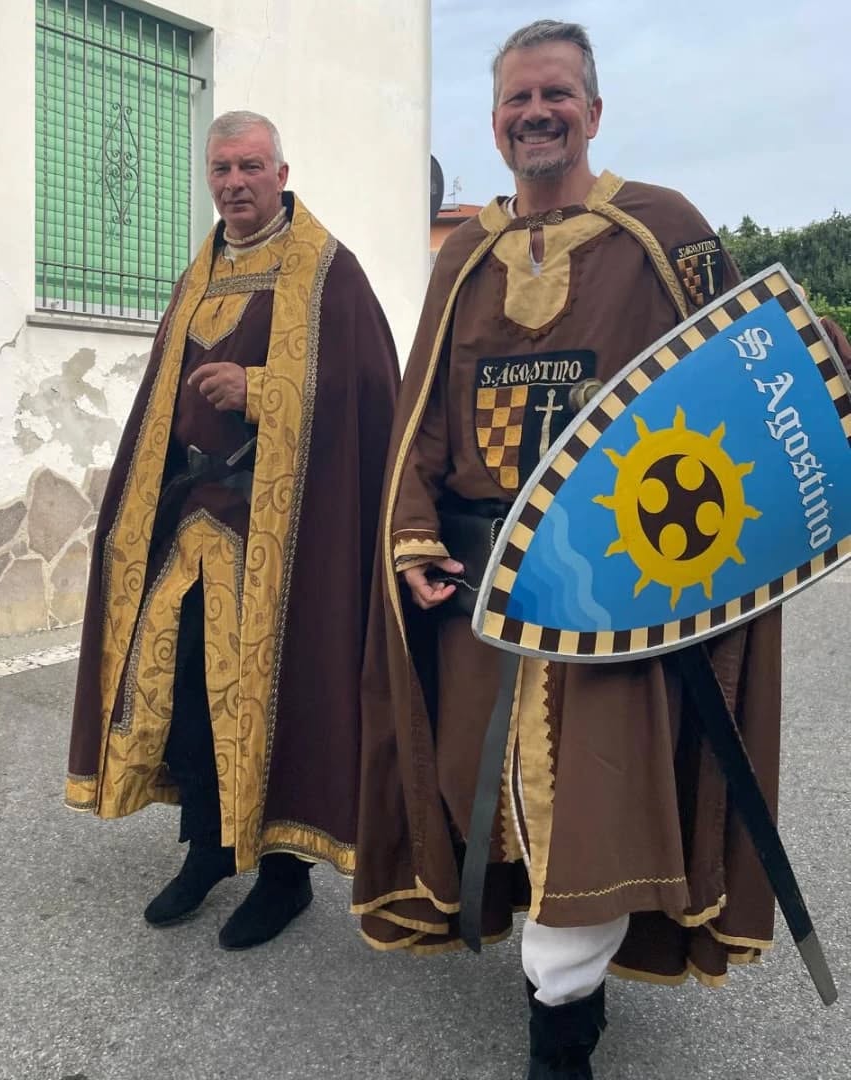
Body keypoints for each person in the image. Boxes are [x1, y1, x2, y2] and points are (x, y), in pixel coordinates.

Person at [352, 20, 797, 1078]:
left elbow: (754, 380)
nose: (536, 113)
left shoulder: (667, 232)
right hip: (480, 590)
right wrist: (412, 532)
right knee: (491, 797)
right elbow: (424, 419)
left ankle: (561, 1027)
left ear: (593, 112)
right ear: (494, 124)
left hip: (618, 590)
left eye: (555, 94)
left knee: (592, 805)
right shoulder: (463, 257)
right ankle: (559, 990)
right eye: (517, 99)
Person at [67, 111, 399, 950]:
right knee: (186, 688)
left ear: (282, 174)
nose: (235, 182)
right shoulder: (201, 272)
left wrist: (262, 391)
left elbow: (368, 392)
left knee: (277, 694)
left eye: (251, 166)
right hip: (192, 518)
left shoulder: (328, 272)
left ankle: (284, 877)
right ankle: (210, 848)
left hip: (284, 534)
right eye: (221, 168)